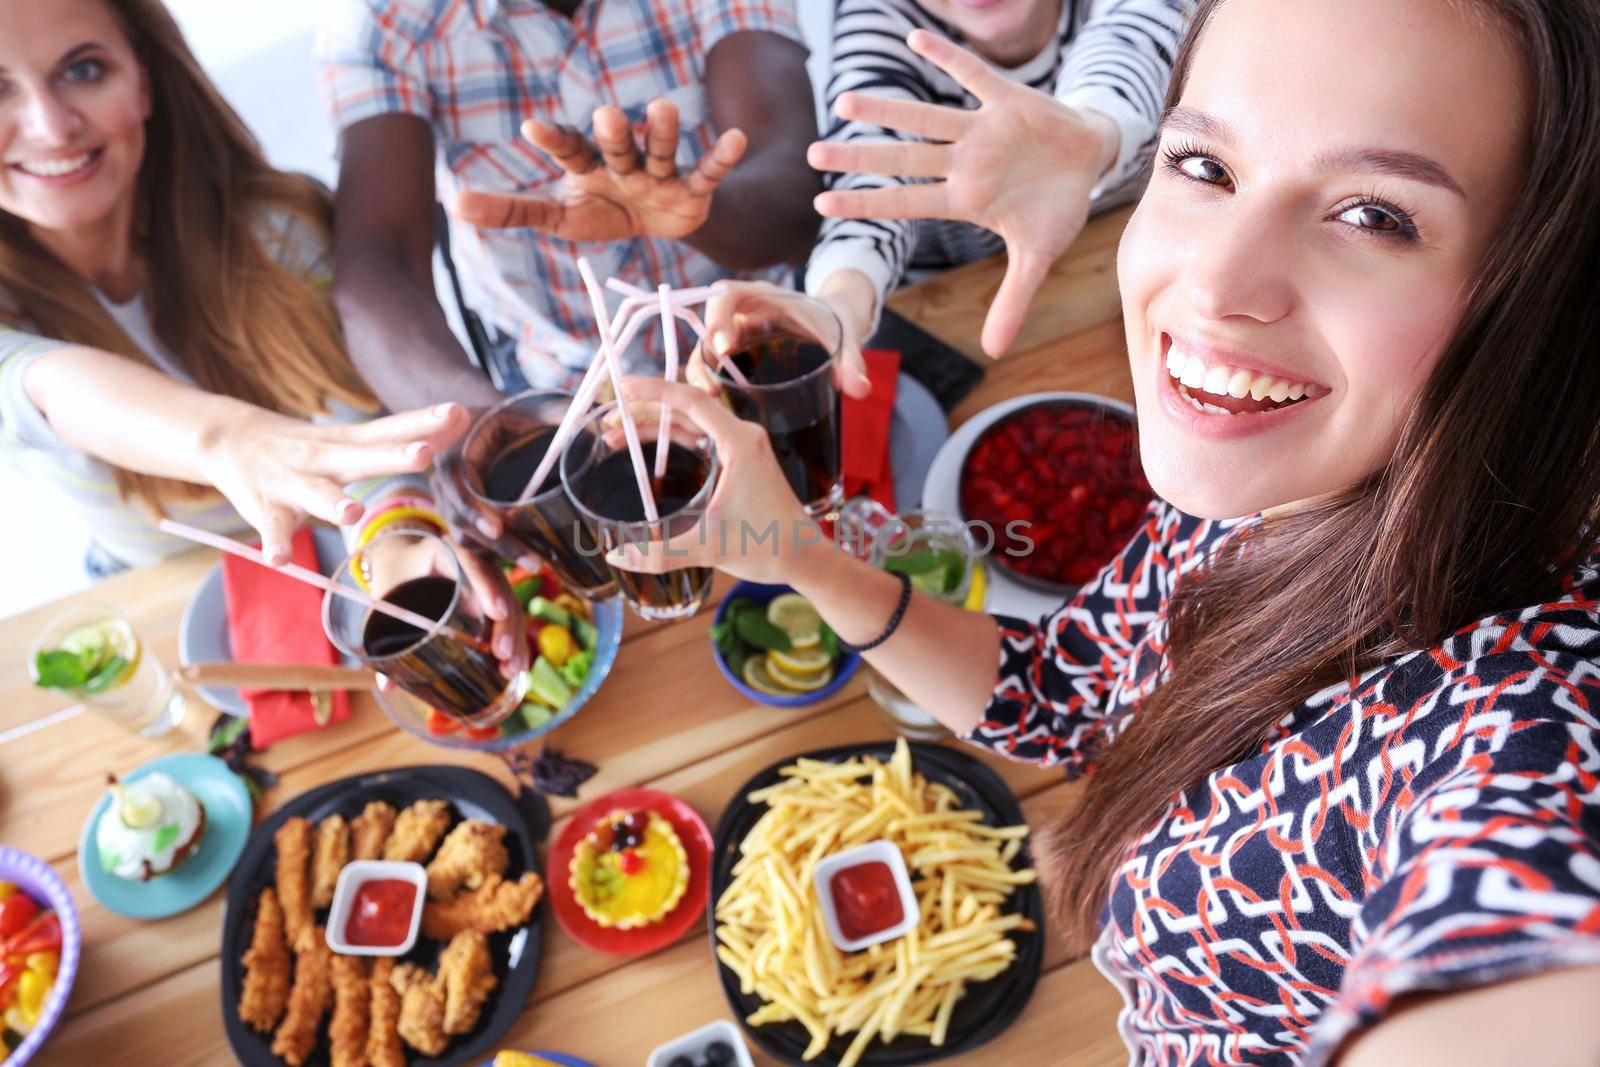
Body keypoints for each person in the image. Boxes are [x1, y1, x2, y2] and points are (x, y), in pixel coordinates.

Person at [611, 0, 1600, 1061]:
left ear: (1537, 299)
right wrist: (794, 553)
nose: (1217, 287)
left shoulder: (1517, 709)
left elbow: (1525, 957)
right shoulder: (1245, 491)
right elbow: (1066, 694)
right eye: (1206, 168)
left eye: (1375, 216)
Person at [0, 0, 526, 670]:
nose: (51, 126)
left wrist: (396, 546)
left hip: (344, 575)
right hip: (166, 623)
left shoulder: (281, 228)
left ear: (146, 79)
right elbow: (45, 384)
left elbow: (359, 452)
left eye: (83, 69)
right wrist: (230, 441)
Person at [315, 0, 828, 412]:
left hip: (759, 345)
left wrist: (691, 211)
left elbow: (794, 194)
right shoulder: (380, 21)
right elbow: (379, 264)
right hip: (563, 398)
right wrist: (481, 430)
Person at [805, 0, 1191, 363]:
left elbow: (1134, 45)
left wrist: (1094, 130)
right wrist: (841, 303)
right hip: (954, 317)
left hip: (1111, 288)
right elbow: (868, 192)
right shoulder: (878, 21)